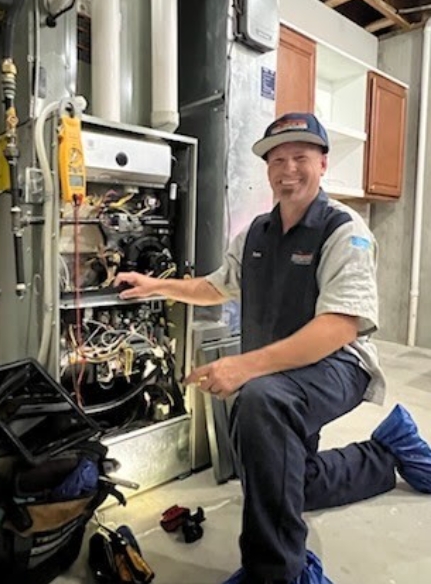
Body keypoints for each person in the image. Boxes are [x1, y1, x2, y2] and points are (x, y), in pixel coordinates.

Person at [114, 112, 431, 584]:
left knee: (259, 402)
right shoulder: (257, 234)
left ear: (323, 164)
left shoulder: (344, 229)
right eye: (277, 161)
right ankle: (386, 453)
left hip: (339, 364)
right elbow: (217, 286)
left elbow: (340, 326)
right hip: (282, 372)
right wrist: (155, 285)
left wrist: (244, 367)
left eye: (300, 158)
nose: (288, 170)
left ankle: (278, 573)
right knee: (284, 480)